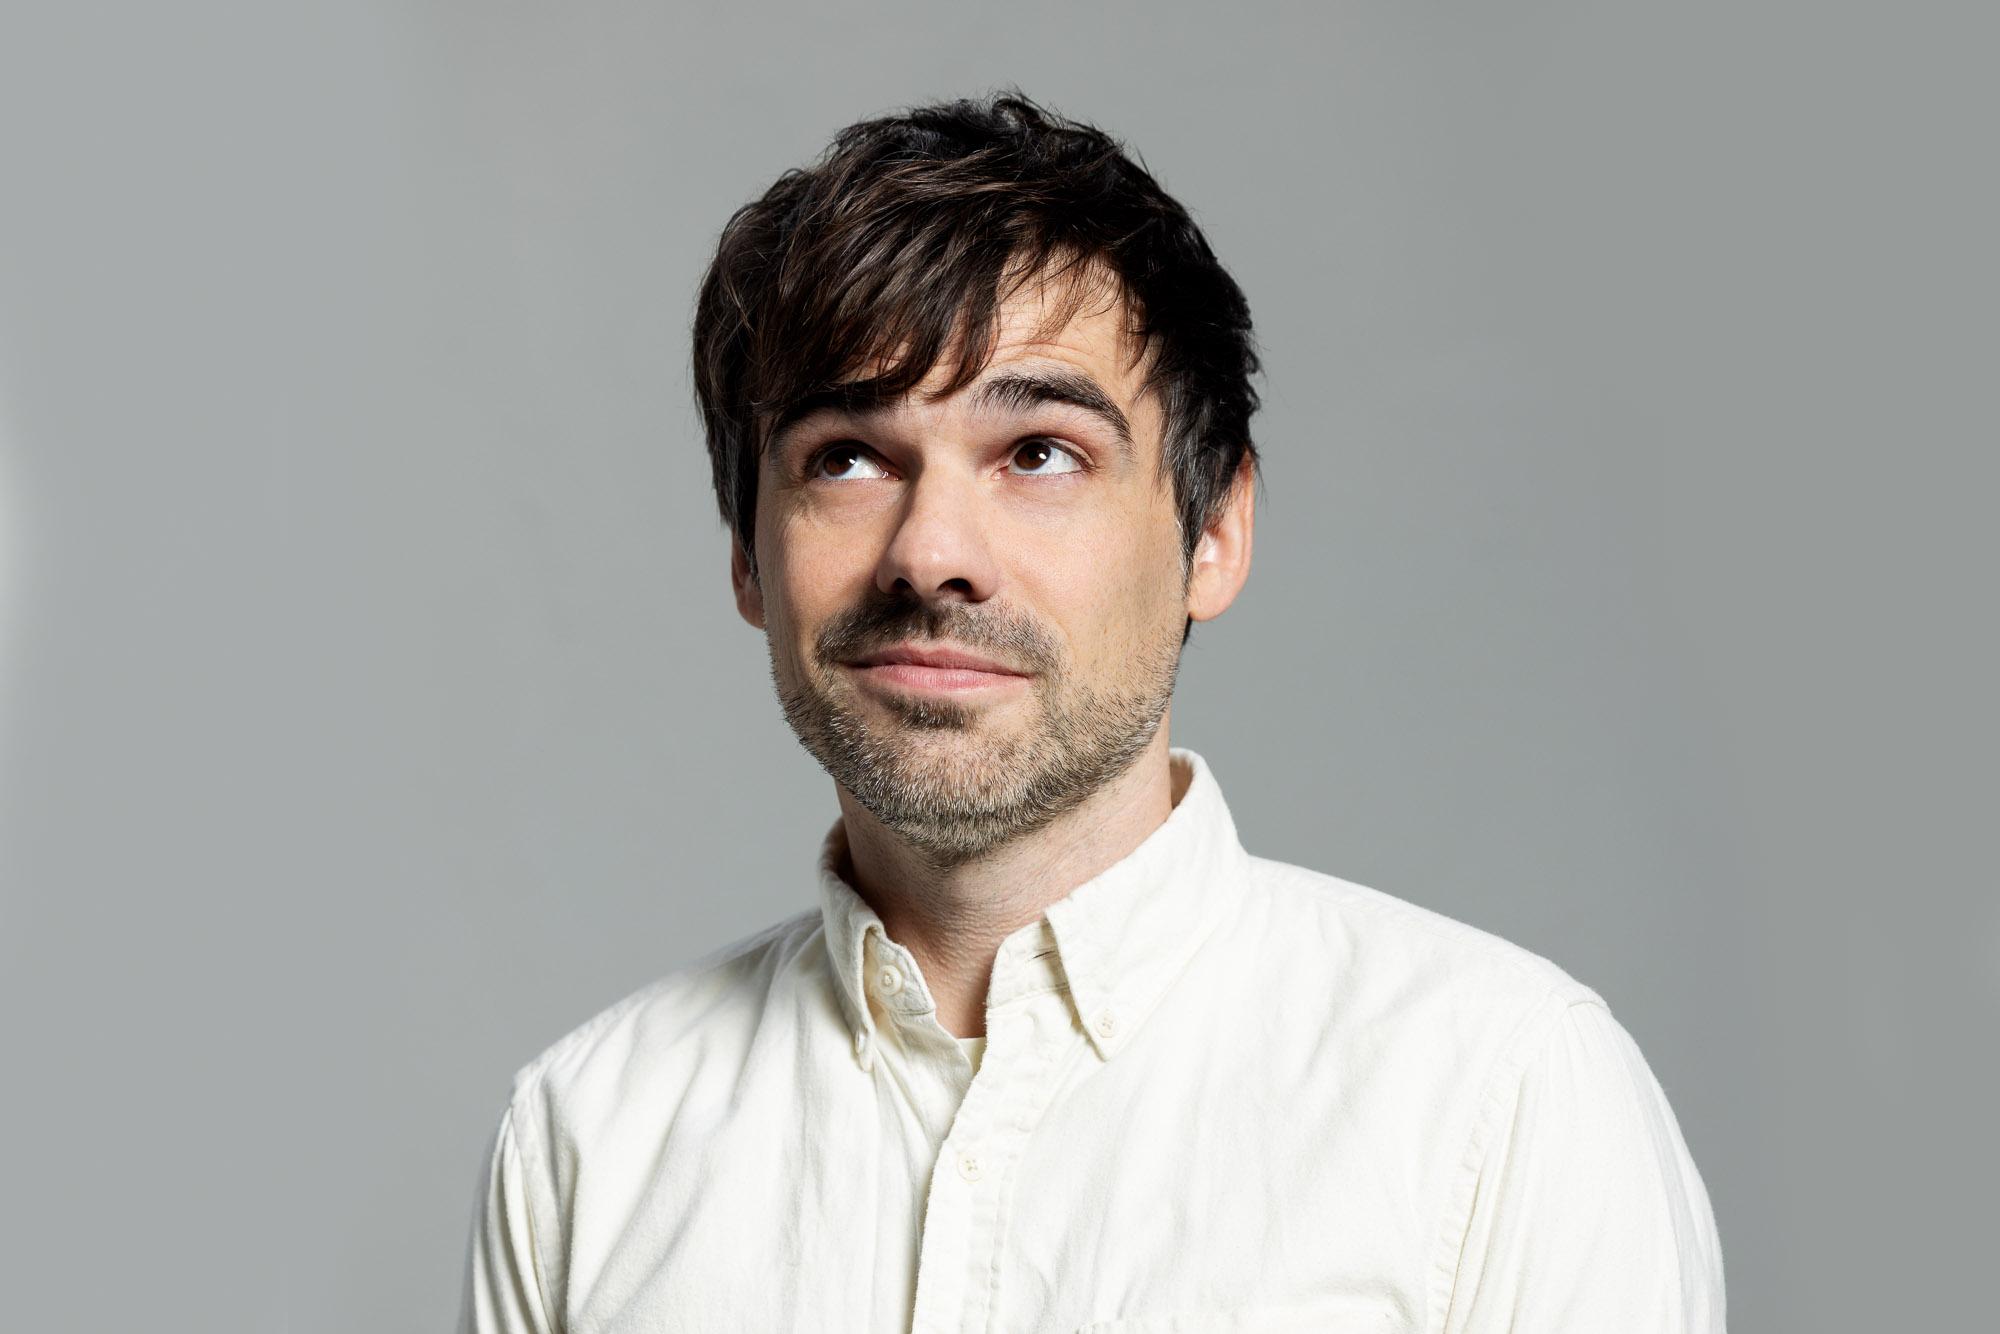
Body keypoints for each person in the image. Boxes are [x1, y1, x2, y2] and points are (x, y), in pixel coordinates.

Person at [457, 93, 1724, 1334]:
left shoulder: (1501, 1100)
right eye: (845, 456)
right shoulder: (585, 1142)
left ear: (1212, 532)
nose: (930, 554)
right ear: (748, 555)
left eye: (1039, 453)